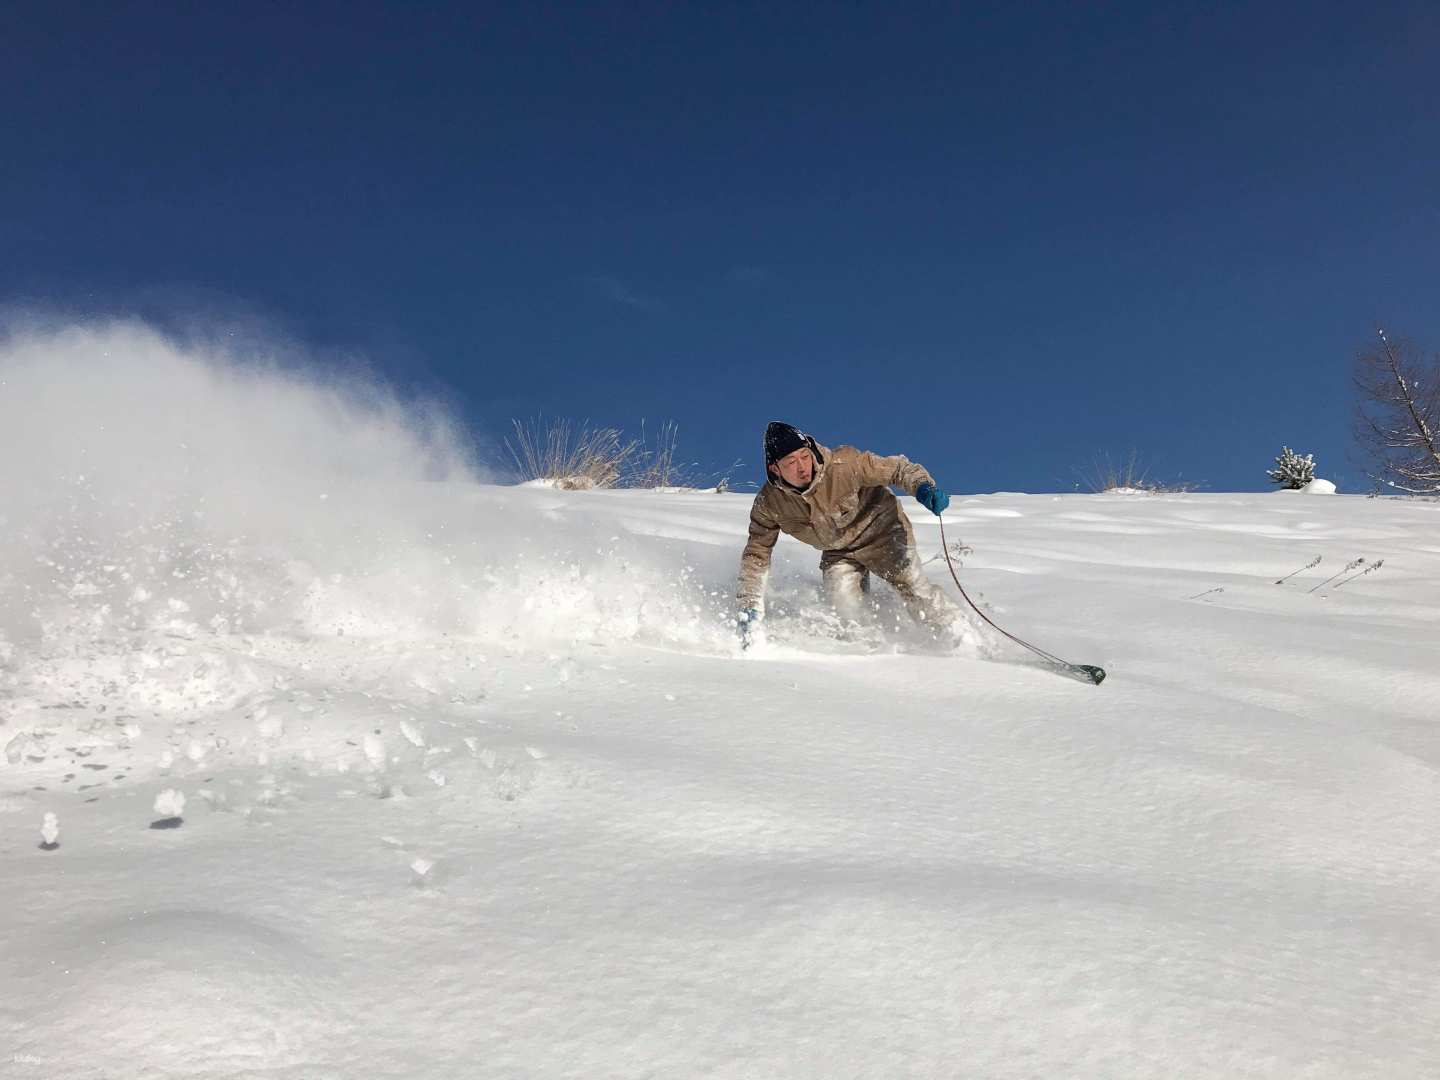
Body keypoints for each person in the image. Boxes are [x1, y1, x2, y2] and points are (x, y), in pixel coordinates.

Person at [736, 420, 964, 650]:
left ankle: (959, 638)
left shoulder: (844, 465)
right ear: (775, 468)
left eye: (804, 456)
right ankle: (868, 653)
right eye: (791, 462)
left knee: (914, 588)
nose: (803, 467)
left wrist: (923, 487)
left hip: (882, 531)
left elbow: (898, 469)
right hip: (838, 551)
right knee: (844, 607)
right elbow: (757, 553)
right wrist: (750, 606)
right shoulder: (770, 504)